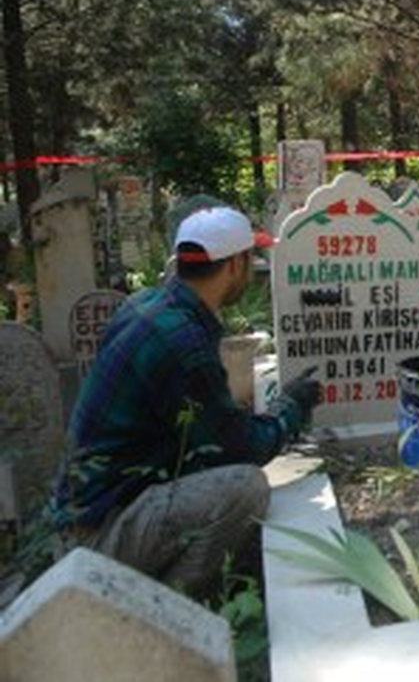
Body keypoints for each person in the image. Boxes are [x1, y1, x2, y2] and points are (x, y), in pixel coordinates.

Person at [51, 205, 322, 598]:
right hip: (99, 533)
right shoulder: (183, 343)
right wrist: (290, 408)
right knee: (245, 488)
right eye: (252, 257)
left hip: (86, 510)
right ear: (234, 265)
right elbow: (241, 450)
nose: (253, 268)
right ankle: (164, 609)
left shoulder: (145, 304)